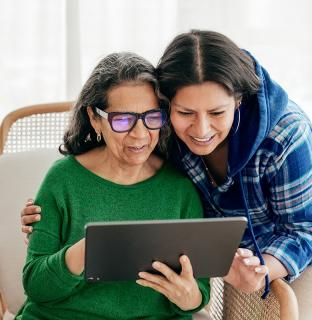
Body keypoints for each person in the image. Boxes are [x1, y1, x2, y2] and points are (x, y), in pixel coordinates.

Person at [22, 30, 312, 298]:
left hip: (294, 257)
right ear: (167, 106)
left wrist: (263, 272)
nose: (201, 130)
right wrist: (50, 221)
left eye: (217, 112)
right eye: (186, 112)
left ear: (238, 101)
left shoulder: (287, 138)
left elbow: (305, 228)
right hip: (224, 258)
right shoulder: (159, 131)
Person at [15, 52, 211, 320]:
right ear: (95, 119)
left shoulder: (180, 189)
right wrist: (85, 252)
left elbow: (199, 291)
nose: (140, 134)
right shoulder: (63, 179)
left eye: (152, 117)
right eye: (122, 120)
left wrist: (189, 298)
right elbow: (36, 287)